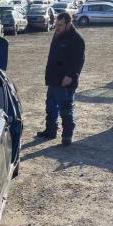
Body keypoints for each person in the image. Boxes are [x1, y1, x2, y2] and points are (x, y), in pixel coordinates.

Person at [36, 11, 85, 145]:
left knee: (65, 108)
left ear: (69, 24)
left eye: (60, 25)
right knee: (50, 106)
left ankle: (67, 135)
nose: (57, 27)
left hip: (66, 81)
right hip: (53, 79)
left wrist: (70, 76)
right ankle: (50, 131)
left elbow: (78, 61)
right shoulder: (57, 35)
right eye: (56, 24)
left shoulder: (77, 39)